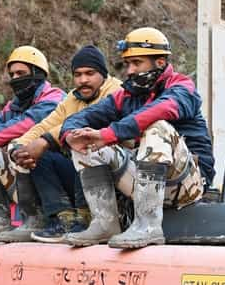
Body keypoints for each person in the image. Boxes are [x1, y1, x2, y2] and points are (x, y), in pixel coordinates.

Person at [58, 27, 215, 249]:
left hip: (188, 185)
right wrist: (70, 135)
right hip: (143, 184)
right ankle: (105, 222)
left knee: (157, 127)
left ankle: (149, 226)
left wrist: (108, 134)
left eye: (137, 63)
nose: (130, 71)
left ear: (160, 63)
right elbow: (81, 117)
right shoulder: (126, 95)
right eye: (127, 64)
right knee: (85, 140)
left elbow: (161, 110)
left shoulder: (182, 88)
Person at [10, 45, 123, 243]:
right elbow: (46, 125)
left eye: (90, 73)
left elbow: (90, 120)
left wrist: (45, 141)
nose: (83, 80)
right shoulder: (72, 98)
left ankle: (89, 216)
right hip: (81, 174)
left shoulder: (116, 91)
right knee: (38, 156)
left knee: (83, 139)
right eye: (77, 75)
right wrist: (19, 146)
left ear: (103, 74)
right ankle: (63, 219)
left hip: (116, 175)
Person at [0, 46, 66, 244]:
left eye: (21, 73)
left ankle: (35, 217)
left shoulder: (54, 98)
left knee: (18, 145)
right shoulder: (15, 104)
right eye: (12, 74)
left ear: (37, 74)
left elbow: (24, 124)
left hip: (61, 173)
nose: (15, 78)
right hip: (34, 174)